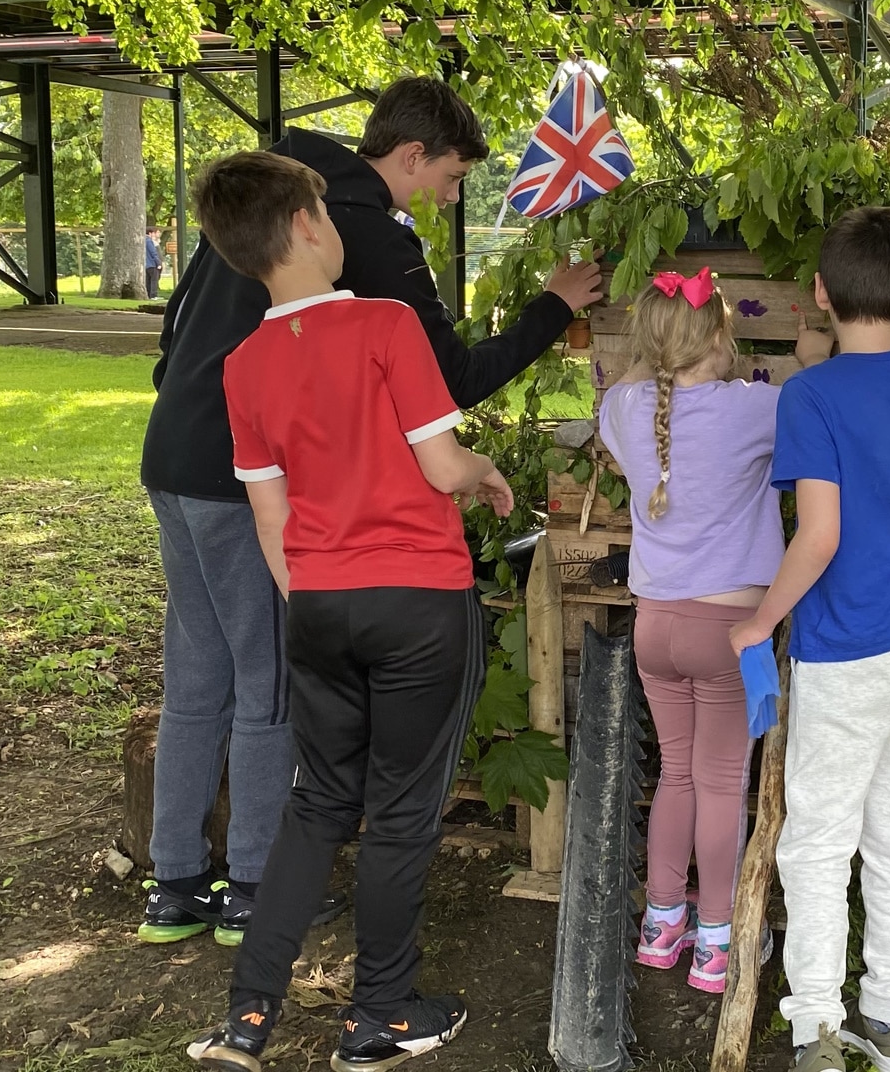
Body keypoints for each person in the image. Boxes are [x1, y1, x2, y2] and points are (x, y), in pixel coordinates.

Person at [137, 76, 603, 948]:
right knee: (270, 677)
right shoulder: (357, 230)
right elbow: (450, 382)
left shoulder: (271, 191)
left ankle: (173, 879)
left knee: (198, 675)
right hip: (248, 480)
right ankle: (255, 881)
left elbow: (177, 330)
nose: (448, 199)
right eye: (452, 179)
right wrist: (553, 308)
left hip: (173, 454)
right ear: (411, 156)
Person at [183, 149, 505, 1072]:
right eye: (326, 212)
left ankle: (248, 1018)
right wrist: (488, 475)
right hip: (419, 601)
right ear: (307, 226)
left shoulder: (242, 366)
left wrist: (316, 598)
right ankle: (383, 1014)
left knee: (317, 803)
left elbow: (272, 520)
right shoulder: (387, 324)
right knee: (401, 815)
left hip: (316, 603)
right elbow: (442, 465)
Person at [728, 208, 890, 1072]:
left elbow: (817, 536)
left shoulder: (808, 397)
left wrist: (759, 620)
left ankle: (818, 1031)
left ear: (819, 292)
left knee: (819, 841)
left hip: (845, 645)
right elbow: (885, 381)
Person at [595, 270, 828, 994]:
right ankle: (718, 944)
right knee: (723, 783)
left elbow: (644, 377)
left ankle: (662, 926)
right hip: (730, 627)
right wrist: (810, 347)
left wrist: (659, 349)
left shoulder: (624, 406)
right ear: (721, 336)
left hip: (655, 626)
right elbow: (812, 390)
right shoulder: (757, 407)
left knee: (676, 774)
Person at [145, 228, 164, 300]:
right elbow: (153, 253)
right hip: (152, 264)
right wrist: (158, 263)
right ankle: (153, 295)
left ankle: (148, 294)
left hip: (146, 265)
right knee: (154, 280)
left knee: (148, 281)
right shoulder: (149, 241)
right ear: (150, 233)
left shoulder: (142, 240)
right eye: (153, 233)